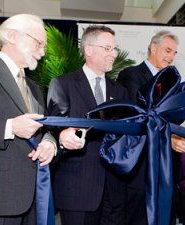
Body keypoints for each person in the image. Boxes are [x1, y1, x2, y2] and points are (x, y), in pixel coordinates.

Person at [47, 25, 128, 225]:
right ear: (89, 50)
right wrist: (63, 136)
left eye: (114, 49)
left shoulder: (120, 91)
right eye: (108, 48)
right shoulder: (63, 84)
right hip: (78, 190)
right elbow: (53, 127)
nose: (114, 54)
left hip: (115, 190)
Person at [117, 30, 185, 225]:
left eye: (174, 53)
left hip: (167, 166)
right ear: (152, 47)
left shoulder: (171, 82)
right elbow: (140, 117)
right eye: (168, 50)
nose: (171, 57)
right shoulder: (130, 75)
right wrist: (171, 138)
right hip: (141, 167)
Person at [0, 14, 57, 225]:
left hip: (33, 197)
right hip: (0, 198)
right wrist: (10, 127)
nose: (42, 52)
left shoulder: (33, 87)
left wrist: (49, 142)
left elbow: (44, 127)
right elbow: (16, 126)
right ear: (12, 36)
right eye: (38, 43)